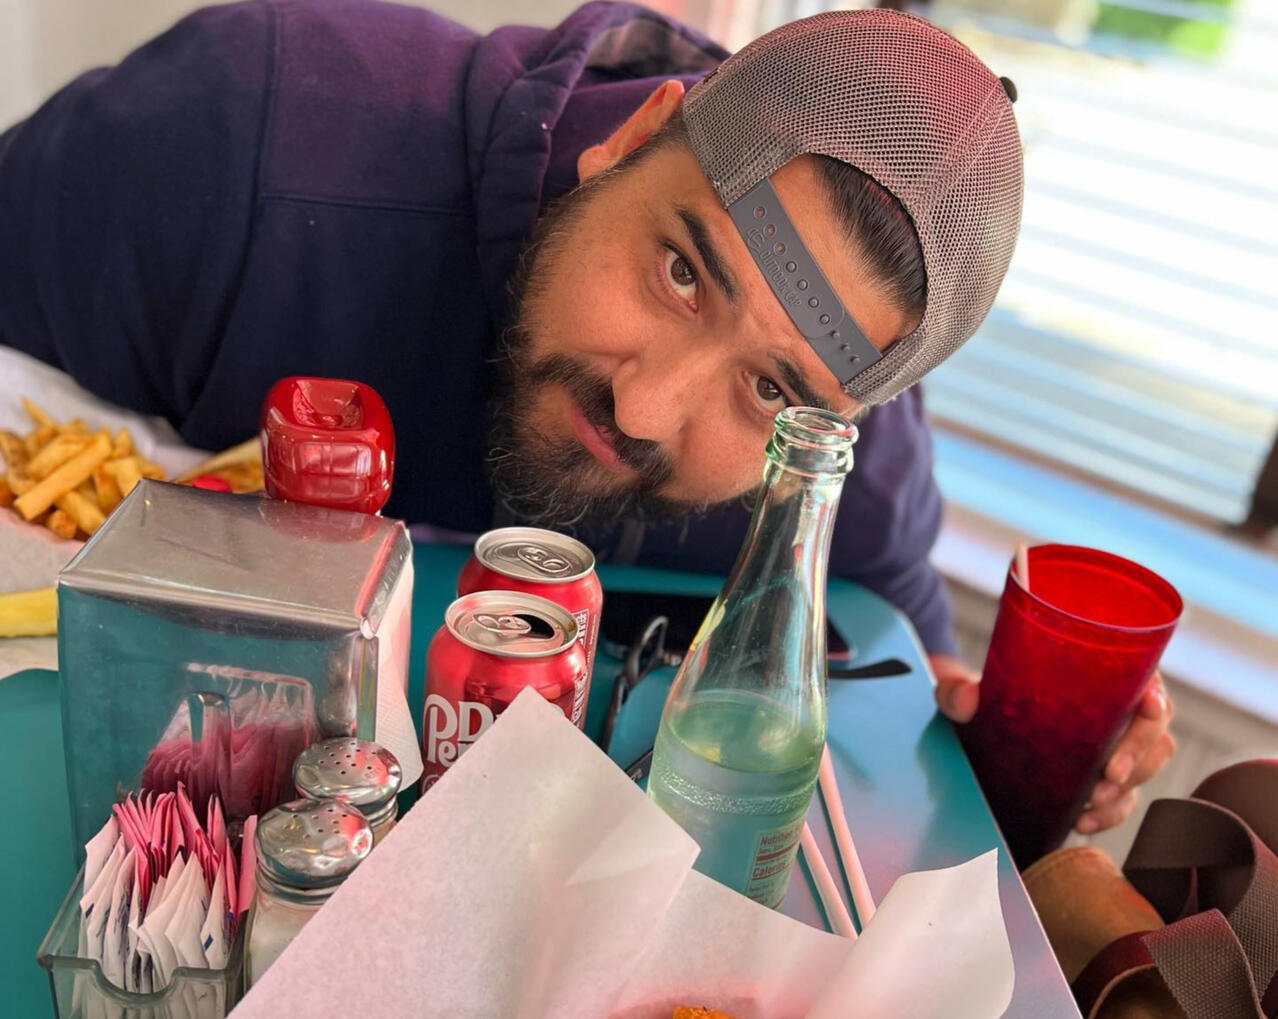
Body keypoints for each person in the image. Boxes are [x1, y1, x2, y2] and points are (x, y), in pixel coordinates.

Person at [0, 0, 1172, 841]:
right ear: (637, 135)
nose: (645, 406)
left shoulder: (850, 463)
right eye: (681, 270)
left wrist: (983, 724)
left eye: (769, 390)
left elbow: (885, 644)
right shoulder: (227, 142)